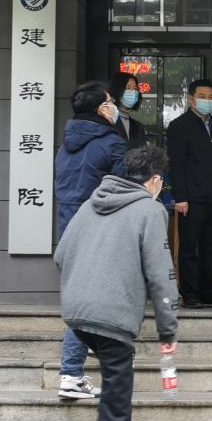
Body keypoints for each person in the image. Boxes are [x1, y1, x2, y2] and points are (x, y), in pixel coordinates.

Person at [55, 144, 180, 421]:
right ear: (155, 180)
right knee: (117, 410)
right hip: (113, 318)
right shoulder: (150, 210)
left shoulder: (91, 203)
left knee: (110, 396)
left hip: (77, 313)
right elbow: (161, 276)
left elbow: (60, 255)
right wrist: (168, 328)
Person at [54, 81, 126, 400]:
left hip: (67, 225)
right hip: (97, 225)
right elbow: (123, 188)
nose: (115, 106)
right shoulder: (111, 142)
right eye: (110, 101)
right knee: (88, 301)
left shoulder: (67, 143)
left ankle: (82, 362)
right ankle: (71, 373)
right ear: (101, 109)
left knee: (84, 296)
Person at [167, 78, 212, 310]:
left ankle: (209, 291)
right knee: (189, 248)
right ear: (191, 99)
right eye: (202, 97)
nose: (207, 101)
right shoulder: (179, 125)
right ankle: (190, 293)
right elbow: (176, 164)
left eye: (211, 97)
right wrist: (180, 197)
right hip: (191, 198)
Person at [109, 71, 148, 147]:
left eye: (135, 88)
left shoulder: (138, 127)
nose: (133, 92)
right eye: (128, 88)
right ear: (117, 91)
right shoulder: (107, 121)